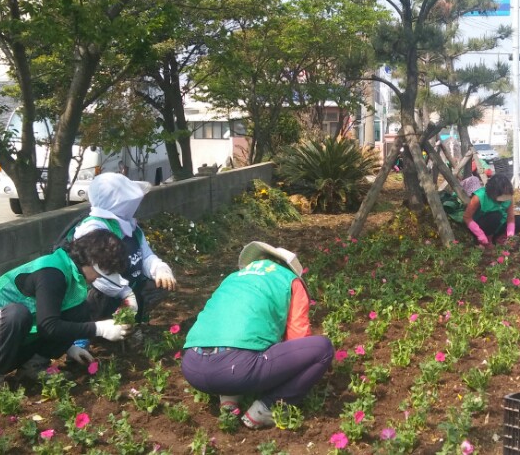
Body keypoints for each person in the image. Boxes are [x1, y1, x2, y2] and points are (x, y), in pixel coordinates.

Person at [0, 230, 131, 405]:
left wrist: (69, 346)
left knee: (79, 311)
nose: (99, 278)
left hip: (13, 345)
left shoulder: (70, 273)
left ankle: (33, 365)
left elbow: (54, 316)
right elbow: (47, 326)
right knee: (16, 313)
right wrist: (100, 329)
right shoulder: (51, 271)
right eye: (105, 272)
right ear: (95, 262)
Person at [181, 242, 333, 429]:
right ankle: (266, 408)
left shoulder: (233, 278)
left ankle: (229, 397)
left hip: (192, 366)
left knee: (237, 343)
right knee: (322, 349)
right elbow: (298, 337)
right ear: (287, 267)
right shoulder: (290, 280)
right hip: (236, 369)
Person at [70, 173, 178, 326]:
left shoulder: (130, 226)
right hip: (101, 293)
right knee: (93, 307)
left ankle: (133, 324)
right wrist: (124, 293)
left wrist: (159, 269)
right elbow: (96, 273)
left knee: (157, 285)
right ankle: (87, 335)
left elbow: (145, 255)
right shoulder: (93, 228)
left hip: (130, 285)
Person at [462, 173, 520, 248]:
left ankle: (499, 238)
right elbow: (467, 217)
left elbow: (510, 218)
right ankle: (486, 239)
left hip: (499, 225)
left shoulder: (508, 198)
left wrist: (510, 236)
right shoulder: (479, 197)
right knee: (496, 216)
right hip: (482, 226)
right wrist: (480, 234)